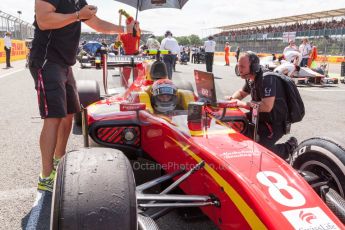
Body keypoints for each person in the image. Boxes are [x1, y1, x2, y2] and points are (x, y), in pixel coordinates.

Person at [29, 0, 124, 192]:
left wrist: (125, 29)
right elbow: (44, 20)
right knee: (53, 117)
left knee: (69, 115)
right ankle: (45, 177)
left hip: (64, 64)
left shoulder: (79, 1)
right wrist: (78, 15)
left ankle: (59, 161)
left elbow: (96, 23)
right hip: (47, 61)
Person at [226, 52, 298, 160]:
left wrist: (243, 104)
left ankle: (289, 147)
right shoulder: (251, 77)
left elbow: (266, 106)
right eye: (238, 66)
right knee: (233, 124)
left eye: (242, 66)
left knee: (260, 152)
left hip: (275, 122)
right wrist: (231, 100)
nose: (239, 69)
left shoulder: (267, 79)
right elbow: (242, 93)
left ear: (253, 66)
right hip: (260, 117)